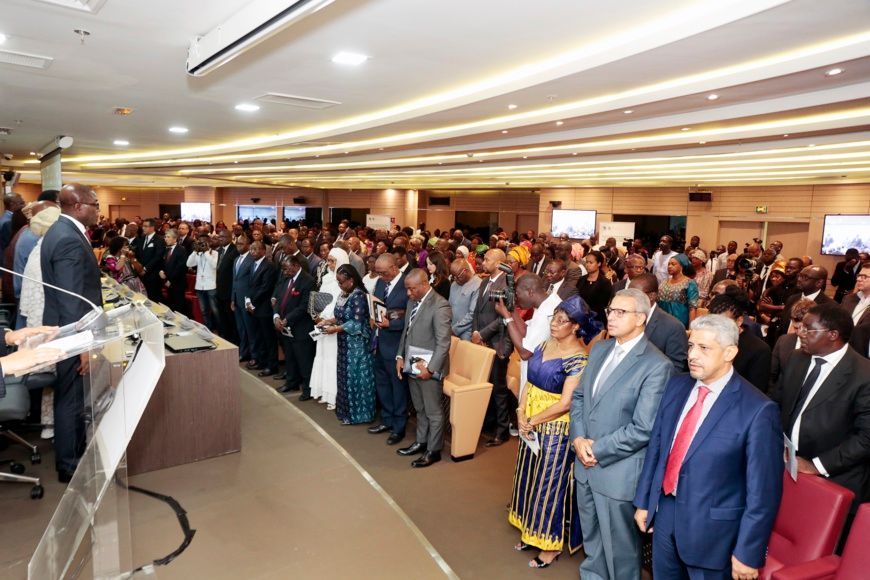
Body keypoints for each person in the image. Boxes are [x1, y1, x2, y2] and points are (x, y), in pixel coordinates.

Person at [634, 314, 783, 580]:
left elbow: (763, 492)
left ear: (730, 353)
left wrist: (748, 552)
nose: (692, 355)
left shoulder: (758, 410)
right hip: (665, 512)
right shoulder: (677, 385)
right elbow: (657, 447)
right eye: (691, 346)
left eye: (704, 348)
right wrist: (645, 501)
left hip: (713, 532)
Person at [571, 289, 673, 580]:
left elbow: (643, 428)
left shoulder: (656, 365)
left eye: (620, 312)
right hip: (584, 466)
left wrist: (596, 450)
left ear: (640, 318)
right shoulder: (600, 349)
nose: (611, 317)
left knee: (621, 555)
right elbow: (579, 397)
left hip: (617, 472)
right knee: (592, 547)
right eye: (610, 311)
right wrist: (578, 439)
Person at [507, 296, 601, 568]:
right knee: (527, 475)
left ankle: (549, 545)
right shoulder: (544, 344)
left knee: (548, 484)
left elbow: (566, 403)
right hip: (530, 422)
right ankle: (530, 530)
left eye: (562, 321)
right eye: (554, 319)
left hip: (555, 429)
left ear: (575, 326)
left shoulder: (579, 359)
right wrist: (521, 412)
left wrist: (533, 420)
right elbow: (530, 382)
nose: (554, 325)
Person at [771, 302, 870, 532]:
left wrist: (816, 465)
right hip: (787, 468)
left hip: (834, 480)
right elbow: (778, 404)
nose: (800, 332)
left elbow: (866, 438)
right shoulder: (797, 358)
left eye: (808, 329)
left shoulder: (863, 375)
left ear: (833, 335)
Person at [40, 184, 104, 482]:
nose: (98, 210)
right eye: (95, 204)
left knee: (70, 396)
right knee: (72, 399)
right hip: (71, 334)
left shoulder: (60, 231)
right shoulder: (67, 238)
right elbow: (71, 300)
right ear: (78, 206)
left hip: (65, 330)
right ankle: (70, 464)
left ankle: (71, 455)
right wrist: (83, 347)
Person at [394, 268, 452, 467]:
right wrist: (400, 356)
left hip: (429, 368)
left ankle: (433, 450)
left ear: (424, 284)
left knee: (433, 411)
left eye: (412, 289)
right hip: (412, 364)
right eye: (407, 289)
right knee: (419, 408)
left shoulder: (440, 305)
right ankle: (421, 442)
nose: (408, 293)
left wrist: (431, 369)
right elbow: (406, 332)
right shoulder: (412, 302)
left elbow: (443, 343)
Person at [321, 264, 376, 424]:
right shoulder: (344, 293)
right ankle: (345, 412)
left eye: (341, 282)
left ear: (351, 281)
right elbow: (341, 315)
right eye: (338, 281)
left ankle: (359, 415)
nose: (339, 285)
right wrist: (328, 321)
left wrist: (335, 329)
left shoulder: (358, 296)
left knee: (356, 378)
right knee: (344, 376)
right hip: (344, 343)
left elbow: (356, 322)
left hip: (357, 346)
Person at [472, 249, 514, 446]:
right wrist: (475, 332)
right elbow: (476, 311)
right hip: (482, 341)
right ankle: (488, 423)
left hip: (498, 342)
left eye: (487, 259)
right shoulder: (484, 282)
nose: (483, 262)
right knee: (485, 384)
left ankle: (502, 430)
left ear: (498, 263)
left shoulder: (506, 285)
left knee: (498, 388)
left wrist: (482, 334)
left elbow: (504, 318)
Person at [368, 253, 410, 444]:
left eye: (383, 273)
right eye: (378, 273)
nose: (381, 276)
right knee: (382, 384)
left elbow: (410, 318)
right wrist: (372, 316)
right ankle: (387, 420)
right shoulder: (380, 282)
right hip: (378, 341)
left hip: (395, 344)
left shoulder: (407, 284)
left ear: (394, 268)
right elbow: (376, 304)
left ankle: (399, 427)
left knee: (397, 387)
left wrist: (390, 324)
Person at [707, 286, 772, 392]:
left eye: (723, 322)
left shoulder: (758, 350)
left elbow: (755, 392)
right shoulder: (706, 339)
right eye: (712, 321)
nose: (716, 326)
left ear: (739, 321)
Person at [310, 247, 349, 408]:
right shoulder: (326, 278)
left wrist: (326, 318)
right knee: (322, 356)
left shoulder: (345, 281)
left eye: (333, 261)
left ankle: (334, 396)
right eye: (329, 261)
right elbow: (321, 299)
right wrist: (317, 315)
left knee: (332, 360)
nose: (330, 264)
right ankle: (324, 392)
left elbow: (338, 303)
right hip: (322, 322)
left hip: (334, 324)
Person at [272, 254, 316, 396]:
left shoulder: (308, 281)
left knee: (304, 360)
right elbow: (277, 299)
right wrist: (276, 316)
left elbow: (304, 306)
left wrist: (287, 319)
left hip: (300, 327)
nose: (284, 271)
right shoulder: (285, 278)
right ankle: (292, 383)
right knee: (290, 357)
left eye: (286, 268)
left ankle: (308, 389)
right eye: (283, 269)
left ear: (296, 266)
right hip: (285, 327)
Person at [628, 273, 688, 372]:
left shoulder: (673, 327)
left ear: (651, 296)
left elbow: (675, 368)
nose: (629, 299)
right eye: (628, 294)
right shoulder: (625, 318)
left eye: (635, 295)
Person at [246, 241, 279, 376]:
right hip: (255, 308)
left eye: (256, 249)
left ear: (263, 251)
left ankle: (272, 366)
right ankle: (262, 361)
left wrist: (251, 302)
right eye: (251, 249)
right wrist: (248, 301)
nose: (252, 252)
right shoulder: (252, 264)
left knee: (269, 338)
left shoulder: (269, 266)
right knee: (259, 336)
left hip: (264, 308)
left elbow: (265, 288)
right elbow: (250, 285)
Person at [770, 298, 816, 391]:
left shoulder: (820, 348)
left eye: (805, 329)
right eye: (796, 328)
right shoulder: (783, 341)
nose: (799, 333)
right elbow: (771, 376)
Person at [186, 235, 219, 330]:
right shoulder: (198, 254)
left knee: (215, 310)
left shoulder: (215, 253)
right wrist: (194, 251)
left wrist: (206, 252)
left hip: (211, 286)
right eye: (200, 243)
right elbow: (188, 264)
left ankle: (220, 330)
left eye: (204, 242)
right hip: (200, 286)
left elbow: (214, 265)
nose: (202, 244)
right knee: (204, 311)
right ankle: (208, 329)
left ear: (209, 242)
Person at [657, 254, 699, 328]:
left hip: (679, 324)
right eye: (668, 264)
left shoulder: (689, 283)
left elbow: (692, 308)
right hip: (661, 322)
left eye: (673, 264)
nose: (669, 266)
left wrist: (691, 329)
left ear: (682, 266)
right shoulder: (664, 282)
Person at [214, 229, 240, 343]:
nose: (220, 239)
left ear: (230, 238)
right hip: (219, 290)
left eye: (223, 237)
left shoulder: (235, 251)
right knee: (222, 318)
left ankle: (233, 342)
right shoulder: (219, 250)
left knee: (231, 319)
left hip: (229, 291)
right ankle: (224, 338)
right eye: (219, 237)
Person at [133, 218, 166, 303]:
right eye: (143, 226)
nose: (143, 228)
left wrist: (145, 269)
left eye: (145, 226)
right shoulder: (142, 239)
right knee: (142, 298)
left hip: (153, 274)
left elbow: (158, 257)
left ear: (152, 227)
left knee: (153, 299)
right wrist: (139, 268)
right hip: (141, 274)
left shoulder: (159, 240)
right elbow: (138, 254)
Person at [448, 257, 481, 340]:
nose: (455, 279)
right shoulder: (454, 284)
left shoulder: (478, 285)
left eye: (458, 276)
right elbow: (449, 307)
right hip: (450, 329)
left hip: (467, 333)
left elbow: (472, 314)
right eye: (453, 276)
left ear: (466, 271)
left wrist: (455, 330)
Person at [841, 262, 870, 357]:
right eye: (859, 275)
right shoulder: (849, 299)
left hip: (863, 356)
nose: (858, 279)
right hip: (841, 350)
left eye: (864, 277)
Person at [159, 228, 189, 315]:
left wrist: (170, 280)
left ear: (175, 238)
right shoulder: (166, 249)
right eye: (165, 237)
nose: (165, 239)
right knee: (171, 305)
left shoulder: (181, 249)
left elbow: (181, 268)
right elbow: (163, 263)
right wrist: (161, 271)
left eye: (168, 237)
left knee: (178, 307)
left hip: (178, 283)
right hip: (167, 283)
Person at [577, 251, 612, 322]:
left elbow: (603, 304)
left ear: (599, 264)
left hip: (596, 319)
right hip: (581, 317)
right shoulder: (581, 279)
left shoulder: (605, 282)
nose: (587, 265)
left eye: (591, 262)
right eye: (587, 262)